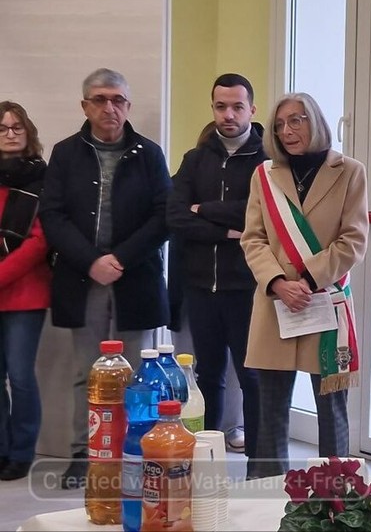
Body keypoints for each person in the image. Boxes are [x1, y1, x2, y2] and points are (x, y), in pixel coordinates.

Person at [39, 68, 171, 489]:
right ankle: (85, 453)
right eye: (99, 99)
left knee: (136, 376)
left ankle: (134, 452)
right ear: (85, 106)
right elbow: (52, 215)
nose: (109, 107)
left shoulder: (149, 153)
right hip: (83, 280)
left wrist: (121, 259)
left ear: (128, 106)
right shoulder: (65, 153)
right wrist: (91, 261)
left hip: (135, 278)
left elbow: (163, 217)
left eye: (117, 99)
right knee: (88, 372)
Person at [241, 92, 368, 478]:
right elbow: (253, 238)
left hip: (324, 302)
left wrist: (309, 279)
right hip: (277, 304)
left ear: (315, 122)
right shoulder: (264, 175)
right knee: (270, 413)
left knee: (332, 412)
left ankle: (337, 496)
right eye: (280, 125)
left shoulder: (349, 171)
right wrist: (278, 282)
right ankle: (268, 493)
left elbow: (353, 240)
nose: (287, 131)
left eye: (296, 120)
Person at [166, 74, 267, 469]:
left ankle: (260, 465)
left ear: (251, 110)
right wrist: (225, 231)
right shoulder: (195, 159)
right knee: (207, 377)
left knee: (253, 377)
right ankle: (206, 462)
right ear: (213, 108)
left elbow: (258, 214)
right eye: (221, 107)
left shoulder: (266, 161)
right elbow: (175, 215)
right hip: (200, 287)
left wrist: (204, 209)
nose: (228, 115)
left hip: (247, 287)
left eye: (237, 107)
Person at [0, 102, 50, 481]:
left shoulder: (40, 179)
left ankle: (21, 453)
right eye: (2, 128)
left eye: (17, 127)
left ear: (28, 132)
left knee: (20, 376)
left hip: (25, 293)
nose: (10, 133)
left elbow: (39, 242)